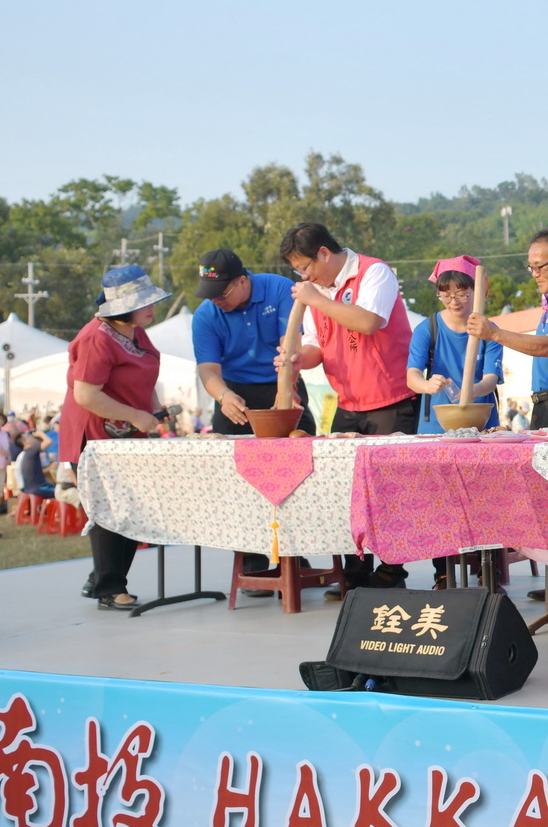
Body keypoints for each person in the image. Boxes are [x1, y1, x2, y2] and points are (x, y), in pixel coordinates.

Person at [278, 223, 415, 589]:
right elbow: (316, 346)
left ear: (324, 253)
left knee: (389, 491)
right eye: (298, 270)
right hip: (348, 401)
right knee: (346, 492)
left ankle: (391, 573)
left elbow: (368, 321)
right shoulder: (317, 292)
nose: (304, 276)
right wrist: (297, 360)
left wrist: (318, 299)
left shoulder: (373, 272)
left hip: (390, 398)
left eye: (304, 267)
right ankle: (354, 576)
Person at [61, 264, 171, 610]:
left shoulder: (137, 332)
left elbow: (144, 377)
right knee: (109, 510)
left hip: (128, 436)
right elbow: (86, 394)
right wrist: (136, 415)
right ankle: (109, 588)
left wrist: (154, 408)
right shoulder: (96, 337)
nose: (151, 307)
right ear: (122, 307)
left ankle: (101, 579)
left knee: (133, 509)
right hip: (96, 437)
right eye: (143, 302)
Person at [470, 230, 548, 431]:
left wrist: (495, 334)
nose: (534, 274)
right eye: (531, 267)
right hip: (544, 404)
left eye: (539, 266)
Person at [192, 247, 316, 436]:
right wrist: (224, 396)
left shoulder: (278, 288)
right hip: (235, 390)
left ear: (242, 281)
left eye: (221, 294)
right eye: (210, 295)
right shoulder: (205, 315)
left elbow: (290, 348)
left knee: (299, 445)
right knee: (228, 450)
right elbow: (208, 369)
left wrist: (287, 388)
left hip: (282, 381)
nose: (216, 301)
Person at [408, 256, 503, 434]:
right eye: (445, 296)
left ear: (475, 290)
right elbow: (412, 376)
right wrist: (427, 385)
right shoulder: (427, 329)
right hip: (436, 424)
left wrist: (474, 390)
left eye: (461, 294)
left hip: (481, 422)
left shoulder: (490, 331)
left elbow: (491, 379)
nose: (453, 302)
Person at [16, 432, 54, 499]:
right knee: (60, 492)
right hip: (38, 488)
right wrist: (40, 433)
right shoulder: (31, 450)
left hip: (30, 488)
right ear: (24, 442)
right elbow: (49, 442)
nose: (32, 436)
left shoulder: (24, 454)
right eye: (29, 436)